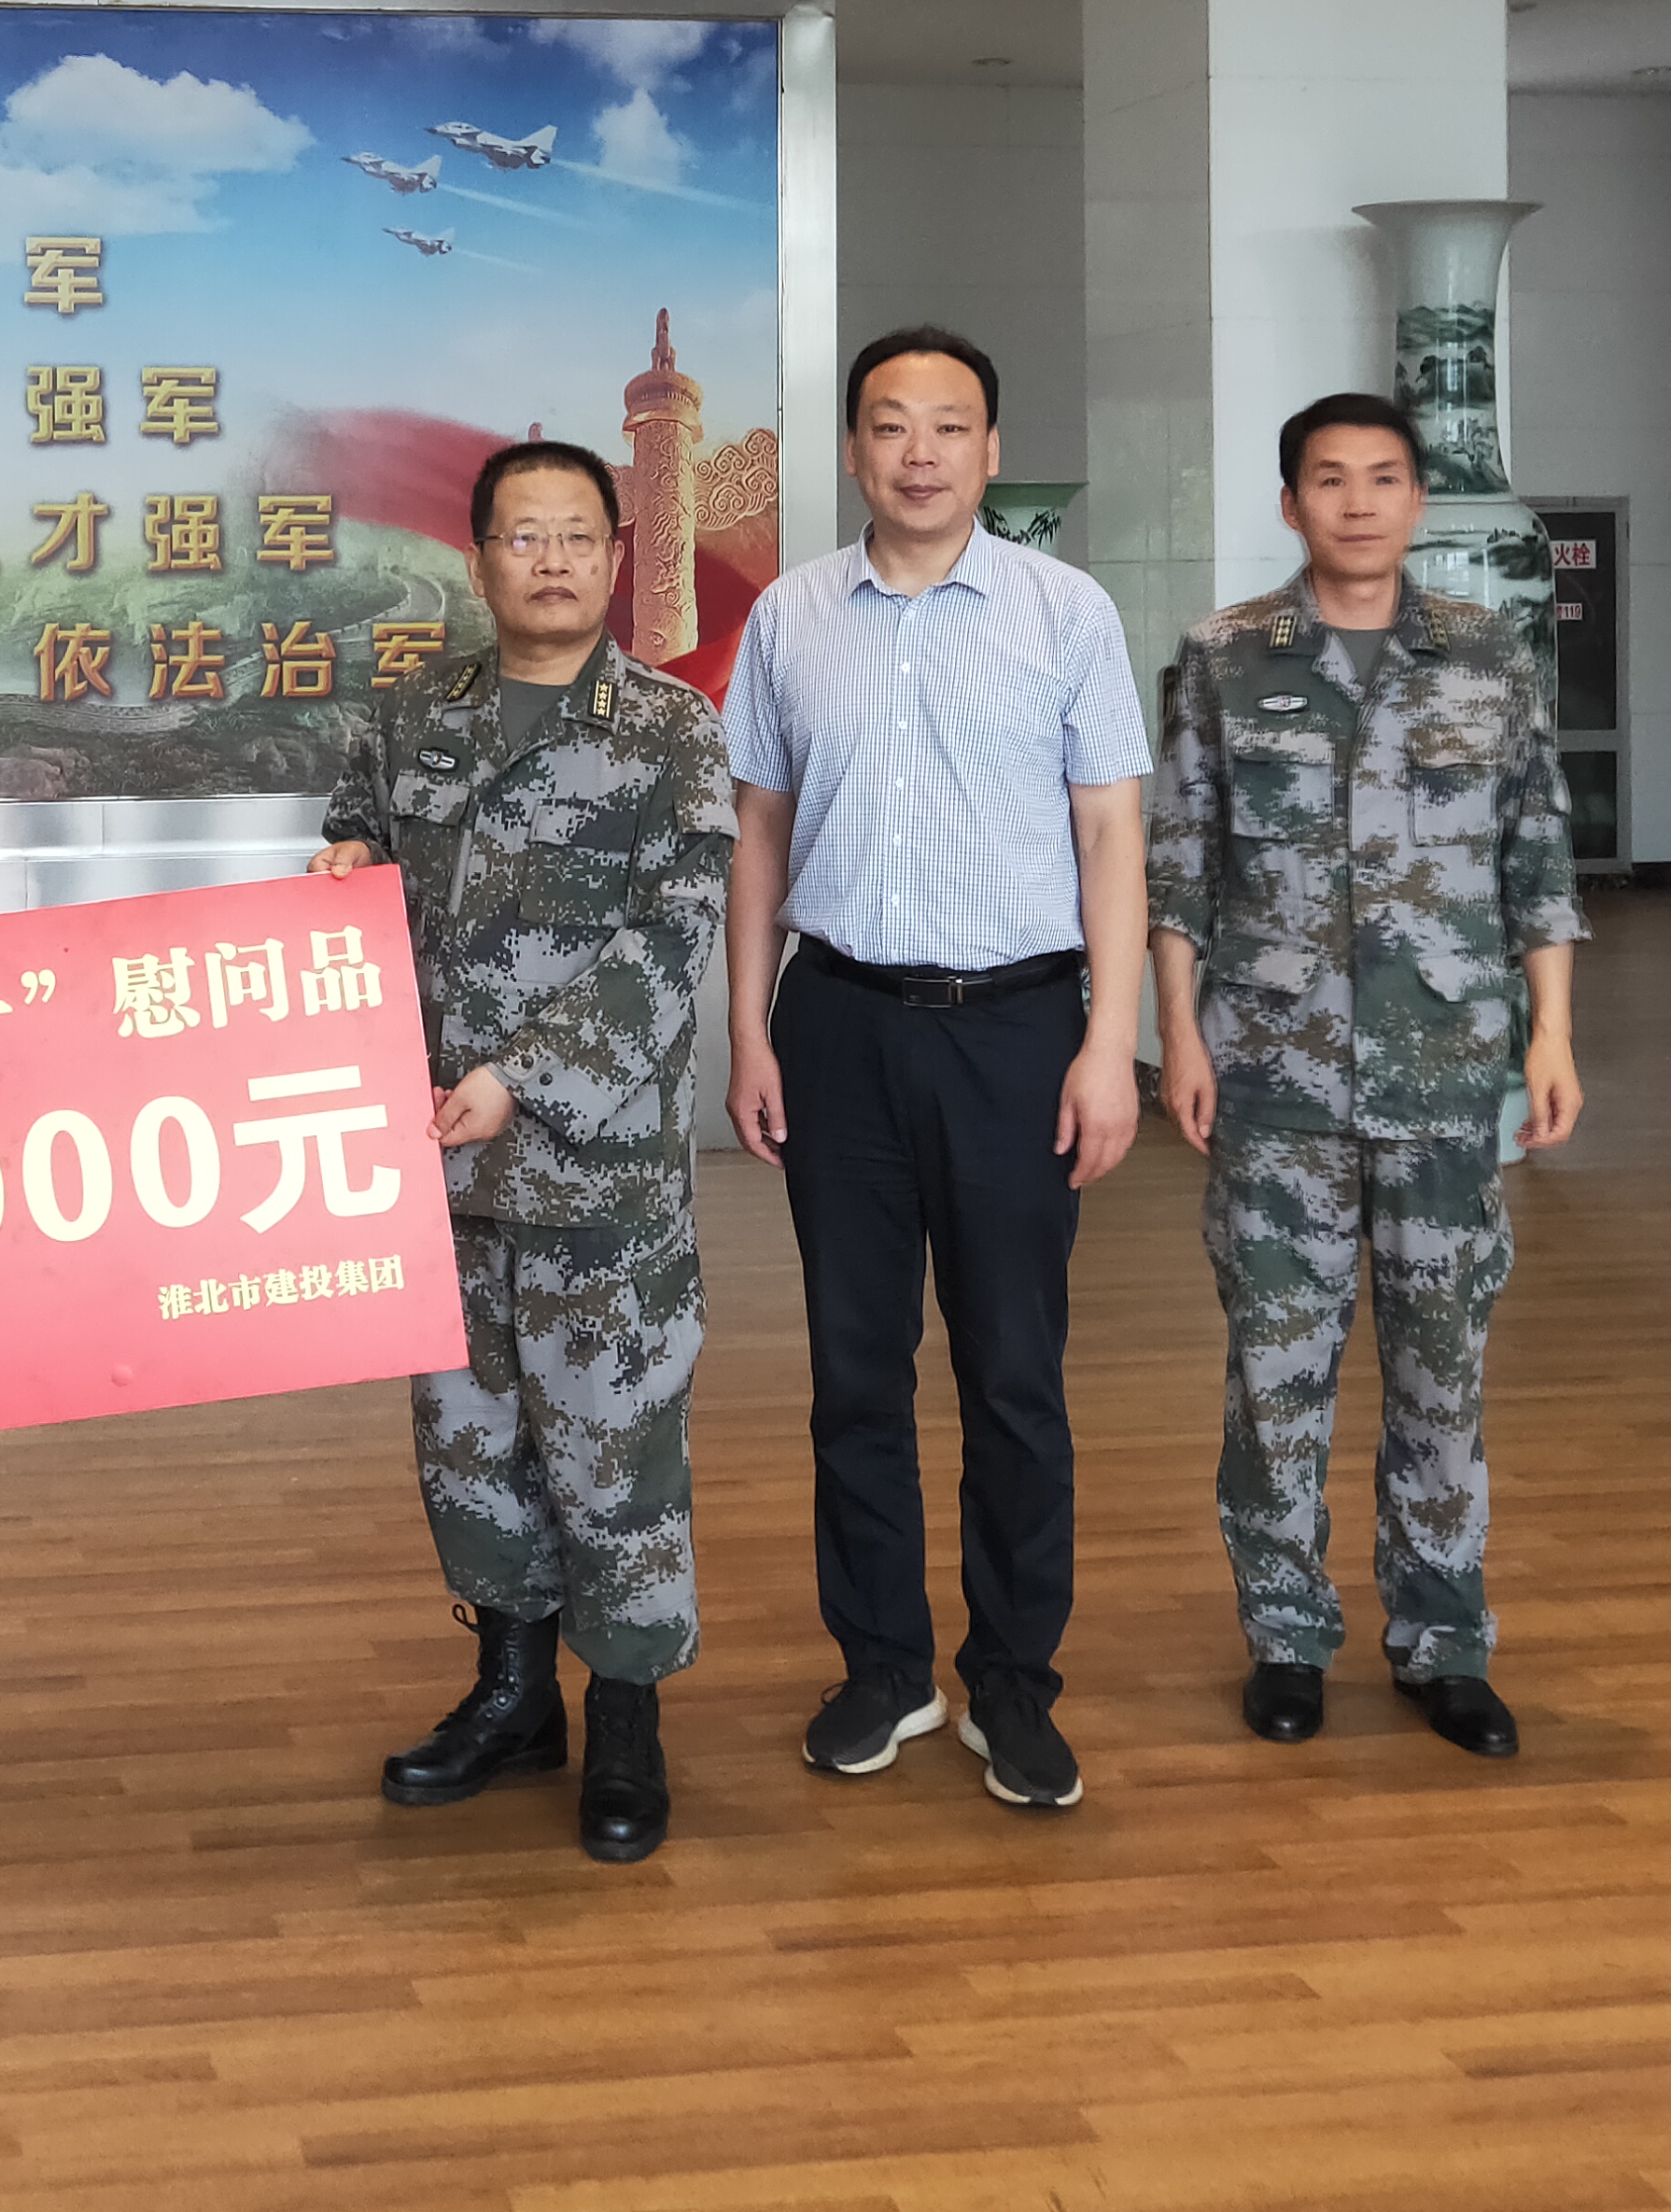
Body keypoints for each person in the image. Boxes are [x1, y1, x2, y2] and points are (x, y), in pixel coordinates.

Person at [722, 327, 1149, 1814]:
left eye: (949, 426)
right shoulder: (790, 616)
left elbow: (1112, 833)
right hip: (838, 1022)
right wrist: (750, 1029)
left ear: (990, 449)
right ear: (852, 450)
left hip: (1018, 1031)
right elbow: (759, 835)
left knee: (1014, 1372)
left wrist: (1111, 1044)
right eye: (891, 425)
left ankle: (1014, 1683)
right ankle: (883, 1667)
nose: (920, 453)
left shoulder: (1065, 612)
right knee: (856, 1369)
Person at [309, 439, 734, 1864]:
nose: (550, 559)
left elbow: (669, 942)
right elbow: (355, 854)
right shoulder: (412, 716)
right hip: (434, 1169)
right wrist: (340, 874)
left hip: (595, 1178)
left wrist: (524, 1077)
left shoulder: (670, 730)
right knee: (469, 1445)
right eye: (522, 535)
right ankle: (512, 1694)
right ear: (479, 558)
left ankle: (625, 1717)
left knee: (613, 1449)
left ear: (615, 556)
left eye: (576, 536)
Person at [1148, 391, 1587, 1760]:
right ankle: (1286, 1638)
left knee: (1442, 1371)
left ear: (1416, 500)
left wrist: (1553, 1034)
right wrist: (1181, 1038)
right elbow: (1180, 865)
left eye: (1383, 478)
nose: (1356, 502)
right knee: (1277, 1373)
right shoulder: (1225, 659)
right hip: (1275, 1074)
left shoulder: (1488, 655)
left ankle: (1444, 1643)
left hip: (1446, 1076)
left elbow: (1538, 852)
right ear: (1291, 504)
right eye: (1329, 480)